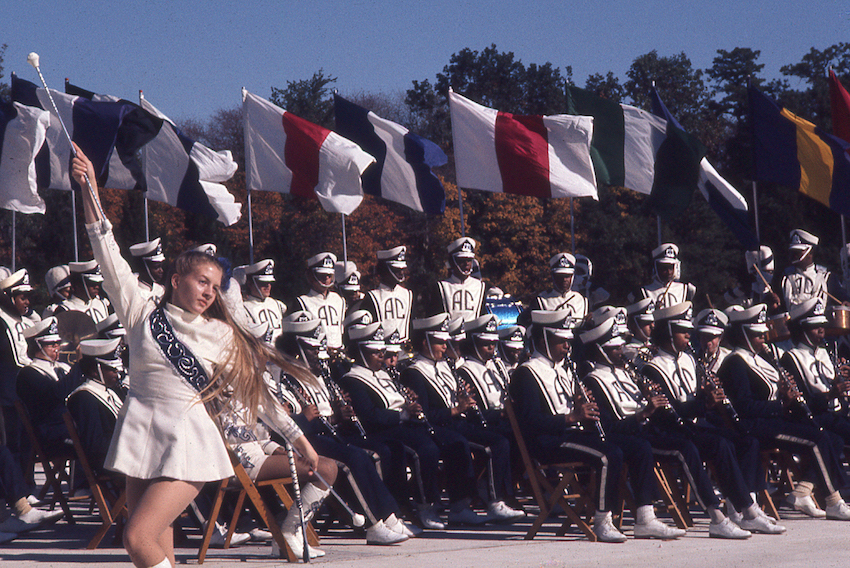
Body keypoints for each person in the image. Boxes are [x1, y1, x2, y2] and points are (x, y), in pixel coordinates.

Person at [72, 146, 328, 568]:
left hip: (189, 439)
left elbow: (257, 395)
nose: (210, 291)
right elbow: (107, 252)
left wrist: (298, 438)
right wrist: (87, 189)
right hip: (141, 434)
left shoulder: (222, 335)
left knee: (136, 537)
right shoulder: (141, 312)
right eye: (201, 281)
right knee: (151, 548)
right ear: (176, 280)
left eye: (216, 285)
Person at [509, 309, 685, 541]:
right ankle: (603, 520)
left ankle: (645, 517)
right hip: (548, 442)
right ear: (544, 340)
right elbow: (529, 422)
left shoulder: (561, 368)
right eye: (561, 341)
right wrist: (572, 417)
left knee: (639, 446)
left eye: (568, 341)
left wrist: (582, 404)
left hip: (572, 436)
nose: (567, 346)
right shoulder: (527, 372)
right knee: (608, 454)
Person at [641, 303, 783, 535]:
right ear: (668, 333)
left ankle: (746, 507)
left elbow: (697, 401)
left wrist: (712, 398)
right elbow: (670, 411)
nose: (689, 335)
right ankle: (721, 516)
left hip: (695, 426)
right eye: (682, 330)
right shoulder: (652, 368)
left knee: (745, 440)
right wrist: (704, 403)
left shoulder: (689, 360)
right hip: (671, 431)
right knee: (718, 444)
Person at [717, 303, 850, 521]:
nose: (763, 339)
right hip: (754, 425)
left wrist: (784, 394)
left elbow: (769, 397)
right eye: (758, 335)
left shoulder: (758, 359)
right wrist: (783, 404)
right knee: (817, 439)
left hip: (771, 420)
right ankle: (833, 501)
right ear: (743, 335)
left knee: (827, 436)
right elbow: (744, 406)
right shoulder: (735, 362)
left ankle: (806, 493)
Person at [780, 298, 850, 444]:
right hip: (815, 418)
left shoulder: (827, 352)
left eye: (822, 325)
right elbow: (800, 402)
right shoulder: (791, 358)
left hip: (838, 413)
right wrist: (830, 395)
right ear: (801, 329)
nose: (821, 330)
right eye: (815, 326)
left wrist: (842, 378)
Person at [66, 338, 125, 473]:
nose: (117, 375)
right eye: (112, 370)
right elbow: (95, 445)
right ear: (94, 371)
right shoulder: (83, 398)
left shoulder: (111, 391)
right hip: (109, 461)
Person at [781, 229, 848, 309]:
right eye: (793, 251)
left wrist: (846, 302)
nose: (794, 255)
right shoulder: (784, 277)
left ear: (810, 253)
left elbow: (842, 298)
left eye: (798, 251)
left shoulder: (827, 277)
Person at [296, 252, 347, 355]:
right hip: (317, 355)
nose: (326, 279)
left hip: (339, 354)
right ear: (311, 276)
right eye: (322, 275)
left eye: (329, 275)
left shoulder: (339, 300)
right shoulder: (303, 301)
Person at [427, 237, 488, 322]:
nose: (466, 264)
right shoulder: (442, 287)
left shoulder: (480, 287)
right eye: (462, 260)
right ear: (452, 262)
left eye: (469, 260)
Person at [363, 246, 413, 343]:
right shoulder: (373, 296)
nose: (401, 272)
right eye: (396, 269)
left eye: (402, 269)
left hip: (404, 348)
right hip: (383, 347)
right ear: (385, 270)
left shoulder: (408, 294)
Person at [630, 243, 695, 309]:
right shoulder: (643, 292)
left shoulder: (686, 289)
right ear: (656, 268)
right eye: (664, 268)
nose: (669, 272)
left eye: (671, 268)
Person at [240, 259, 287, 346]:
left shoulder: (278, 304)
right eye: (262, 282)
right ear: (250, 283)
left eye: (269, 282)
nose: (267, 286)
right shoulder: (244, 307)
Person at [530, 253, 589, 321]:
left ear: (572, 277)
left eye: (567, 276)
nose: (564, 279)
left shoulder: (581, 300)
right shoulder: (541, 301)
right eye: (560, 276)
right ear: (553, 276)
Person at [55, 260, 111, 324]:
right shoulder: (65, 310)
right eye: (91, 283)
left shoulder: (101, 303)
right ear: (78, 284)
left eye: (98, 283)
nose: (97, 287)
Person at [129, 238, 166, 303]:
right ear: (143, 267)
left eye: (161, 266)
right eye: (156, 267)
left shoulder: (161, 290)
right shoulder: (134, 293)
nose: (161, 271)